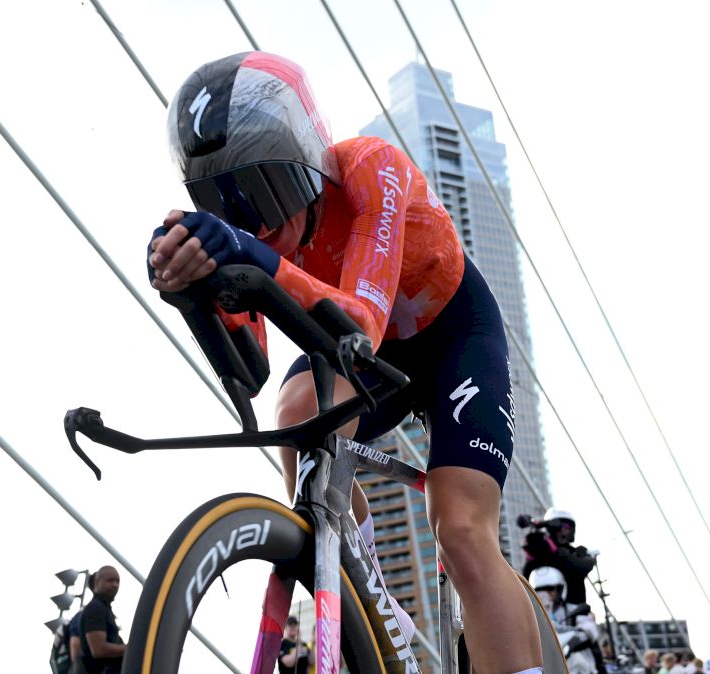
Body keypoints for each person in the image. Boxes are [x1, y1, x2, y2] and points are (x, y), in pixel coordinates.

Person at [151, 50, 543, 674]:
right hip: (367, 345)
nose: (250, 221)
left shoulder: (370, 169)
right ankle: (369, 605)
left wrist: (250, 255)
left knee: (461, 530)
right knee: (297, 412)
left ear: (306, 168)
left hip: (452, 336)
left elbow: (362, 320)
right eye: (223, 204)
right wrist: (190, 295)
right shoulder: (257, 237)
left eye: (262, 193)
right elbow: (248, 371)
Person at [520, 507, 596, 604]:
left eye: (568, 527)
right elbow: (529, 547)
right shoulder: (541, 549)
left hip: (574, 610)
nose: (564, 530)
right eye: (561, 526)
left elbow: (584, 565)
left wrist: (562, 553)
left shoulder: (576, 552)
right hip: (543, 609)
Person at [530, 567, 599, 674]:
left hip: (580, 666)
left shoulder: (574, 609)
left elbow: (590, 630)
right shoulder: (534, 616)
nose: (544, 594)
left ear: (560, 589)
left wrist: (579, 635)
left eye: (549, 589)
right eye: (538, 590)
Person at [80, 566, 124, 674]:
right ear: (97, 582)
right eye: (110, 580)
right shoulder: (95, 608)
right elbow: (98, 649)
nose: (115, 585)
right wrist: (131, 648)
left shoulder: (103, 608)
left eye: (117, 581)